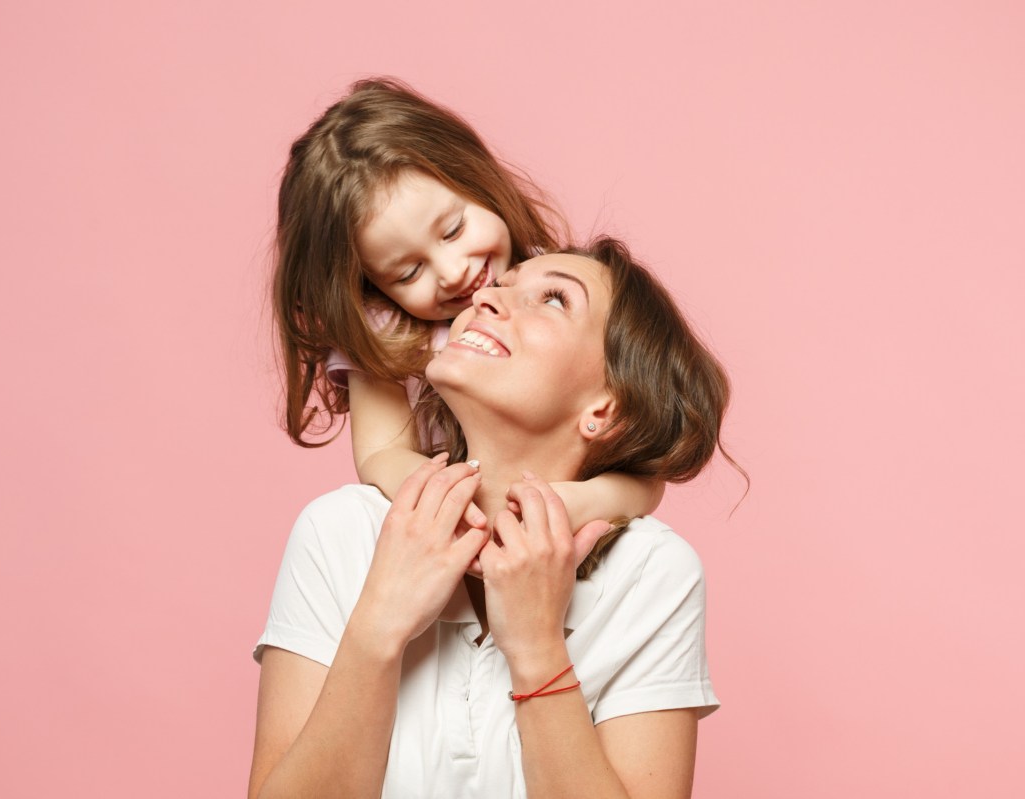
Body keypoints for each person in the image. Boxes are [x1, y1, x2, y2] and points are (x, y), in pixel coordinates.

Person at [251, 238, 734, 798]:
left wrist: (536, 647)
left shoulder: (652, 573)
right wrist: (379, 625)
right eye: (500, 287)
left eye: (554, 299)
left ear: (605, 408)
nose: (484, 299)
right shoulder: (339, 531)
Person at [272, 78, 662, 534]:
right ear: (371, 287)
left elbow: (646, 476)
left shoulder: (548, 289)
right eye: (408, 272)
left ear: (476, 182)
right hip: (450, 540)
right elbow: (380, 454)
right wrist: (450, 502)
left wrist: (584, 499)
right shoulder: (385, 336)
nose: (453, 272)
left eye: (453, 230)